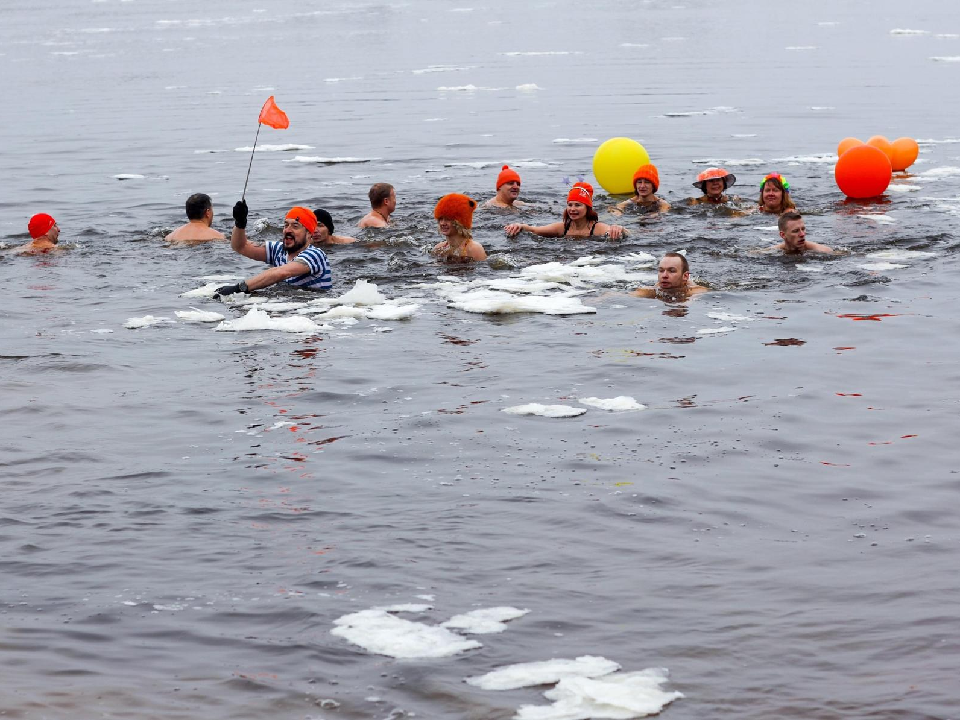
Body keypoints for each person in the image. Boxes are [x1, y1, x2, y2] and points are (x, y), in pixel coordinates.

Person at [214, 202, 332, 296]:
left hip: (315, 308)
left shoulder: (315, 255)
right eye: (286, 225)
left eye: (295, 226)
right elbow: (240, 246)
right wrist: (240, 224)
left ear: (309, 234)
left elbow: (280, 273)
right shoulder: (278, 249)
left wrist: (239, 288)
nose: (288, 230)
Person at [505, 182, 625, 239]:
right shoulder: (562, 227)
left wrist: (620, 229)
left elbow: (623, 232)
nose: (572, 209)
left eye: (578, 205)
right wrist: (519, 225)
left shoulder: (598, 228)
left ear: (587, 208)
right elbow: (534, 230)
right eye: (570, 205)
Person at [432, 193, 487, 262]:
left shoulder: (474, 249)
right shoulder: (439, 248)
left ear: (460, 222)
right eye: (440, 219)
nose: (442, 223)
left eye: (448, 219)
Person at [632, 252, 707, 301]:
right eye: (661, 270)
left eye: (671, 271)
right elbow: (625, 297)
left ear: (685, 276)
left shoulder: (695, 291)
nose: (664, 276)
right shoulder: (651, 291)